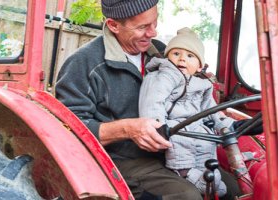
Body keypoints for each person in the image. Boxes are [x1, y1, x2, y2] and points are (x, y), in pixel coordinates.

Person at [55, 1, 241, 199]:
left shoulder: (162, 52)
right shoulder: (84, 64)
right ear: (113, 25)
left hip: (177, 152)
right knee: (188, 196)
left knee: (233, 190)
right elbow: (69, 130)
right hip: (122, 161)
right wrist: (128, 129)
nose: (152, 33)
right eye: (143, 27)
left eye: (155, 22)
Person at [139, 27, 234, 197]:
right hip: (174, 129)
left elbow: (212, 111)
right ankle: (184, 172)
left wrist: (231, 125)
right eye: (176, 53)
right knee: (181, 141)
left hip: (196, 130)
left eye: (190, 56)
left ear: (199, 66)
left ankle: (209, 179)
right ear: (167, 57)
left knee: (207, 144)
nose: (182, 58)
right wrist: (157, 126)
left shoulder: (202, 85)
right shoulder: (163, 76)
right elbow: (153, 102)